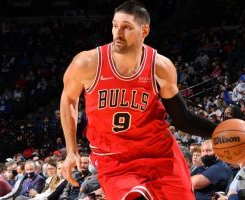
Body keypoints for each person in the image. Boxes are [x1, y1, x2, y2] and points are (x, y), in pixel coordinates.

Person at [60, 1, 216, 199]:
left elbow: (181, 118)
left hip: (160, 155)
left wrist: (218, 131)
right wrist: (71, 151)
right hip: (114, 159)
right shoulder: (87, 62)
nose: (118, 33)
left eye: (126, 27)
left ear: (144, 31)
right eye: (115, 25)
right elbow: (68, 99)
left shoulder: (160, 67)